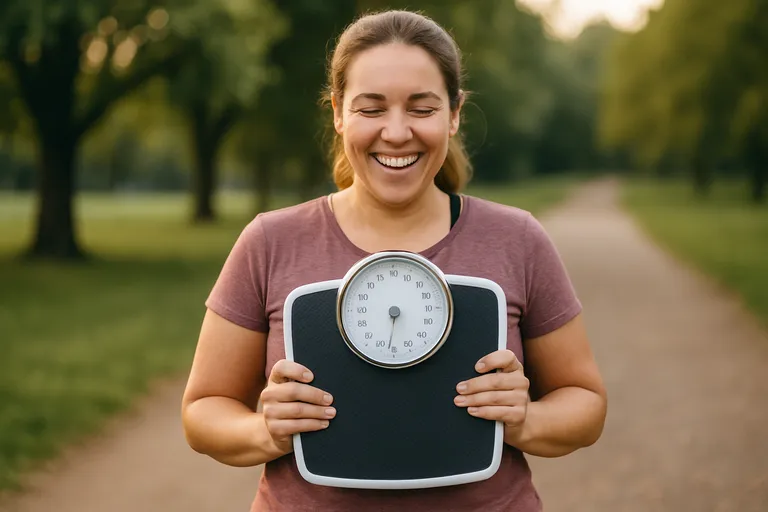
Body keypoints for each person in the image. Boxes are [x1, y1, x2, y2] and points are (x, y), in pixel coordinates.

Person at [181, 9, 607, 511]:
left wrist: (527, 419)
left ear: (455, 114)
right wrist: (263, 430)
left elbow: (586, 401)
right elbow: (203, 411)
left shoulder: (517, 239)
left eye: (422, 108)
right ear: (338, 112)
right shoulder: (270, 241)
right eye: (372, 108)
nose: (398, 132)